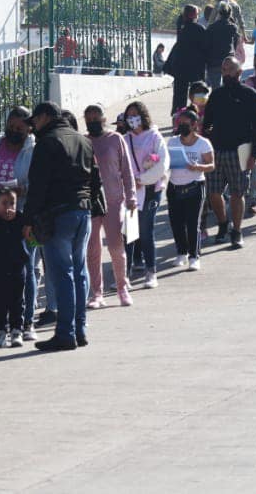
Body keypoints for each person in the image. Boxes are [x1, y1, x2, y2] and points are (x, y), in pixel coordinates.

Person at [21, 102, 97, 351]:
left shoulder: (47, 143)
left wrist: (28, 219)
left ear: (45, 117)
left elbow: (38, 185)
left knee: (63, 273)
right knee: (79, 270)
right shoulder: (82, 140)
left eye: (35, 120)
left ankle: (66, 333)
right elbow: (94, 177)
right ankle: (79, 329)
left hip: (57, 213)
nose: (33, 126)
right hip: (82, 211)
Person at [0, 108, 40, 337]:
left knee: (27, 268)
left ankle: (26, 322)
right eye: (11, 127)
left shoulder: (33, 150)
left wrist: (21, 189)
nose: (14, 131)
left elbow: (39, 182)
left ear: (28, 129)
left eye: (19, 128)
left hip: (21, 215)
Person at [200, 56, 256, 247]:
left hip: (240, 152)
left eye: (230, 69)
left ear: (239, 72)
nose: (226, 73)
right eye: (224, 69)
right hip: (217, 151)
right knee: (213, 193)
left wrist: (254, 155)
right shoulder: (216, 95)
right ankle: (222, 223)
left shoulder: (251, 96)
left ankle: (236, 231)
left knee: (237, 193)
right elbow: (207, 124)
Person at [84, 105, 137, 307]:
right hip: (91, 202)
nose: (93, 122)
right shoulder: (84, 141)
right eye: (89, 119)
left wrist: (131, 196)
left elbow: (127, 170)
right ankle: (97, 293)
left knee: (116, 246)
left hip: (114, 201)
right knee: (92, 249)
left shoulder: (115, 139)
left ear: (104, 118)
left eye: (96, 117)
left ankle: (122, 287)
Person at [124, 100, 168, 290]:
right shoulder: (124, 139)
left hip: (150, 190)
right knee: (128, 233)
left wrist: (142, 179)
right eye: (129, 115)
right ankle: (124, 274)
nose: (132, 118)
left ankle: (151, 271)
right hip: (130, 191)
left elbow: (163, 164)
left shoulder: (154, 136)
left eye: (135, 114)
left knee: (146, 230)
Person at [166, 108, 215, 271]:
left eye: (186, 124)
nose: (182, 127)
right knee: (176, 222)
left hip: (195, 185)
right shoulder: (172, 141)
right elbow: (165, 160)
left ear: (194, 125)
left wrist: (197, 166)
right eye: (180, 123)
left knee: (193, 222)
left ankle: (194, 256)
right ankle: (181, 253)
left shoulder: (203, 143)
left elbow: (211, 165)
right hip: (174, 186)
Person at [0, 187, 27, 348]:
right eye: (4, 203)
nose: (9, 207)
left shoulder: (20, 219)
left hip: (17, 265)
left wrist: (20, 219)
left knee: (17, 300)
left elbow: (31, 232)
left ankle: (17, 330)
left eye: (12, 203)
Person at [164, 4, 207, 114]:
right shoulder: (199, 29)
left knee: (179, 94)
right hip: (195, 66)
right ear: (195, 15)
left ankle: (177, 115)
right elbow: (205, 47)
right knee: (198, 90)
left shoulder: (181, 27)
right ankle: (199, 113)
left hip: (180, 66)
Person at [203, 2, 240, 88]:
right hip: (229, 60)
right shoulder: (233, 27)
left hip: (214, 61)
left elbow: (207, 45)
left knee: (215, 88)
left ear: (219, 13)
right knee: (229, 87)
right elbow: (235, 44)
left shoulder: (211, 27)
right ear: (230, 14)